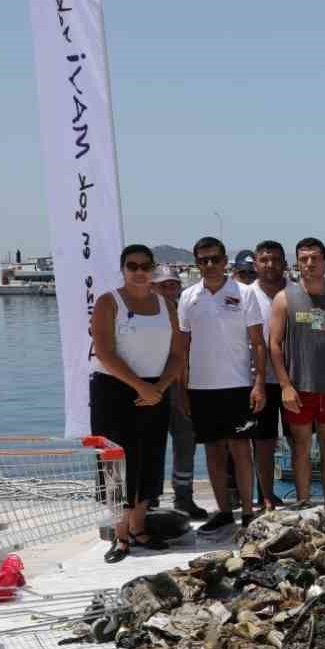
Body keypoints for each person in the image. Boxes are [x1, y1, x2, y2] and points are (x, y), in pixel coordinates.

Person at [90, 244, 182, 562]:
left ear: (152, 269)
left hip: (155, 390)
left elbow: (177, 354)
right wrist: (140, 386)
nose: (140, 271)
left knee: (150, 459)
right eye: (133, 266)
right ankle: (120, 535)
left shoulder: (166, 304)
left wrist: (159, 387)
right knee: (116, 465)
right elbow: (104, 352)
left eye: (146, 266)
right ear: (123, 269)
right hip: (114, 391)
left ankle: (140, 528)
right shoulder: (108, 302)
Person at [177, 235, 267, 534]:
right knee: (213, 452)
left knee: (241, 450)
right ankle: (224, 512)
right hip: (201, 388)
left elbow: (258, 344)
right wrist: (183, 389)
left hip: (238, 385)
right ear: (197, 264)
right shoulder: (188, 297)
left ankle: (248, 511)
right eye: (203, 260)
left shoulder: (244, 293)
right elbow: (183, 348)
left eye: (215, 258)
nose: (210, 264)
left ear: (225, 261)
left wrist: (259, 384)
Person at [268, 238, 325, 517]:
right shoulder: (284, 298)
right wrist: (284, 385)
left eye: (315, 258)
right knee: (301, 446)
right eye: (303, 259)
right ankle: (304, 506)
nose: (309, 264)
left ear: (324, 261)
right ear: (297, 262)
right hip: (298, 386)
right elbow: (274, 344)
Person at [151, 266, 206, 520]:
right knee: (152, 445)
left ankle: (183, 498)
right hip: (152, 387)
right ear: (152, 287)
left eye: (173, 285)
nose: (169, 290)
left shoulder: (187, 312)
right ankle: (149, 499)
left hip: (183, 387)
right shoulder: (144, 314)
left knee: (186, 444)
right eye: (163, 285)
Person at [244, 240, 289, 513]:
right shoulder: (244, 295)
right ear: (256, 264)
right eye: (264, 259)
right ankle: (267, 495)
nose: (270, 264)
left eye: (275, 259)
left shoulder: (297, 293)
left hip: (294, 380)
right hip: (258, 382)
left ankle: (303, 493)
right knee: (263, 441)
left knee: (300, 439)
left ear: (284, 263)